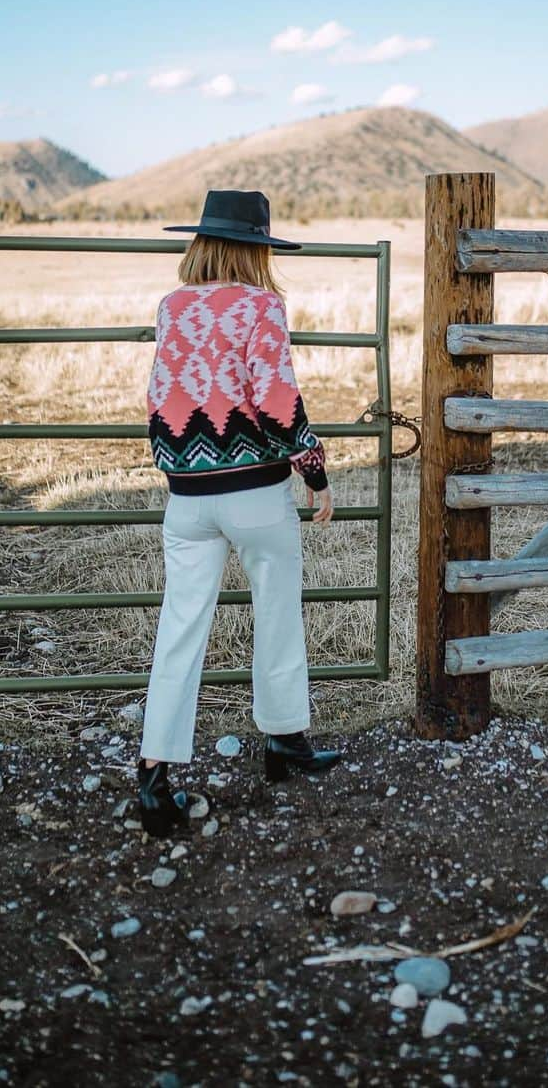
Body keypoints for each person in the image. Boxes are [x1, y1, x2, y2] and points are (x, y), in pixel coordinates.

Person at [136, 188, 343, 837]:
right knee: (277, 612)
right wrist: (314, 470)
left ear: (201, 241)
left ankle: (153, 775)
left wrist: (180, 465)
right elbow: (276, 399)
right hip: (256, 495)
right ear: (258, 249)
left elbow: (160, 398)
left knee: (179, 629)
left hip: (187, 501)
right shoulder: (262, 306)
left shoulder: (171, 307)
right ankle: (285, 742)